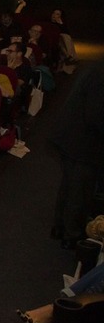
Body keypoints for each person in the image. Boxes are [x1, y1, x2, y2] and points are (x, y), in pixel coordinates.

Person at [49, 61, 104, 249]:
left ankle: (60, 226)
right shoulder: (100, 77)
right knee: (80, 190)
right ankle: (72, 234)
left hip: (71, 137)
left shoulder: (96, 69)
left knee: (70, 184)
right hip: (83, 142)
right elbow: (96, 116)